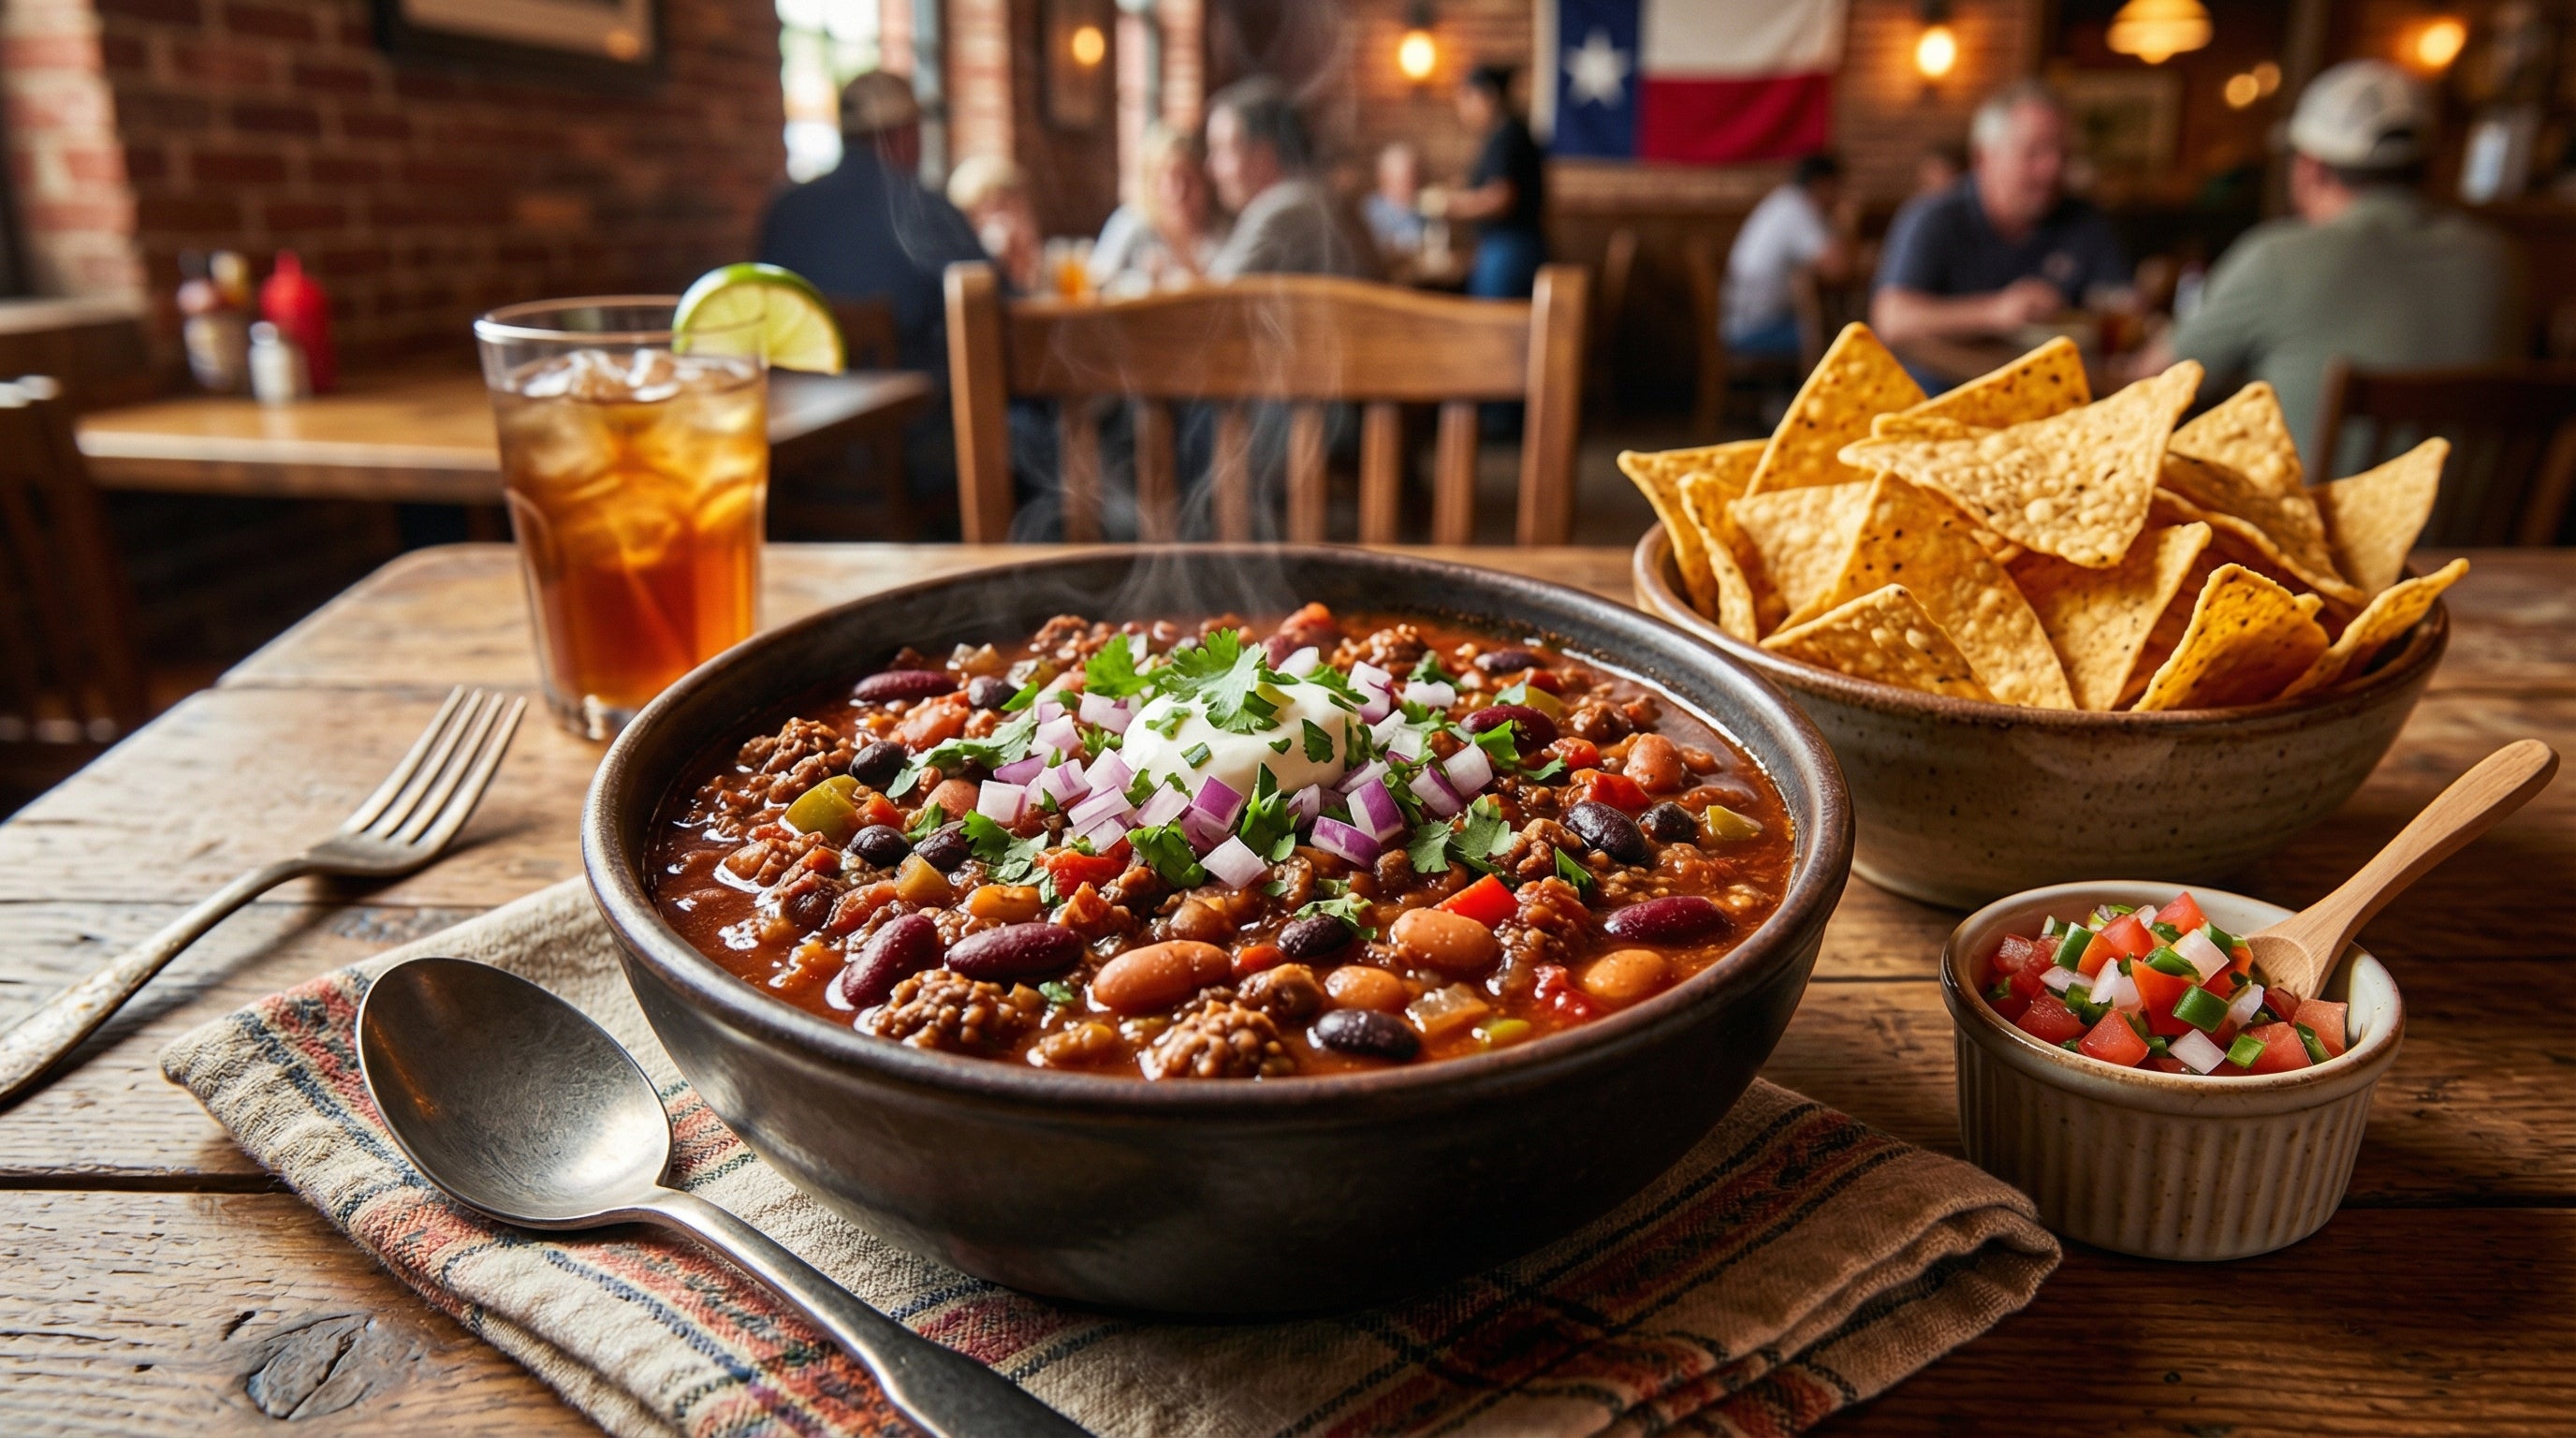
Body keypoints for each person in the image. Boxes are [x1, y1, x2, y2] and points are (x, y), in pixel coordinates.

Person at [2139, 60, 2522, 466]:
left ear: (2310, 168)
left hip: (2308, 527)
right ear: (2428, 166)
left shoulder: (2277, 257)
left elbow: (2153, 383)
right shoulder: (2503, 261)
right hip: (2474, 529)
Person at [755, 71, 987, 376]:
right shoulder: (926, 208)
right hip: (914, 416)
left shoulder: (785, 207)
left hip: (804, 412)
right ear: (903, 133)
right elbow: (991, 302)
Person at [1871, 81, 2130, 348]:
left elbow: (2120, 301)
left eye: (2063, 154)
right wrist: (1995, 313)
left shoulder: (2085, 221)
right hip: (1943, 387)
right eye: (2034, 152)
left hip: (2051, 386)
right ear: (1985, 157)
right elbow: (1891, 319)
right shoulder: (1934, 217)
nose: (2052, 168)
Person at [1203, 77, 1368, 280]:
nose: (1209, 168)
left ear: (1264, 154)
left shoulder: (1284, 207)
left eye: (1222, 149)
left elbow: (1205, 300)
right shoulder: (1311, 195)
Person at [1722, 152, 1857, 360]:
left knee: (1831, 328)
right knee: (1838, 338)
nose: (1839, 196)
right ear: (1822, 184)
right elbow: (1838, 269)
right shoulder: (1797, 210)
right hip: (1753, 329)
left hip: (1743, 321)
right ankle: (1817, 393)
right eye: (1836, 187)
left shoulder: (1784, 202)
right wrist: (1846, 223)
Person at [1441, 64, 1547, 300]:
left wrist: (1450, 206)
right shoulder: (1506, 135)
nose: (1462, 108)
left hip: (1509, 251)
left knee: (1493, 330)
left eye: (1467, 98)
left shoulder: (1508, 137)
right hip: (1505, 249)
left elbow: (1501, 199)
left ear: (1489, 96)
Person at [1090, 125, 1224, 298]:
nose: (1179, 191)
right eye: (1170, 179)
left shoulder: (1223, 230)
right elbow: (1095, 285)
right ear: (1151, 182)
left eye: (1188, 178)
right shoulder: (1130, 224)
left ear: (1205, 181)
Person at [947, 154, 1044, 294]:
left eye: (1015, 202)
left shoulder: (1024, 234)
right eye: (996, 206)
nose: (1009, 215)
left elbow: (1032, 287)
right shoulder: (961, 253)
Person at [1363, 142, 1427, 260]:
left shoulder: (1422, 207)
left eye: (1413, 178)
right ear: (1385, 179)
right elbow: (1376, 250)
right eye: (1403, 180)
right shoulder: (1371, 210)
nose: (1411, 185)